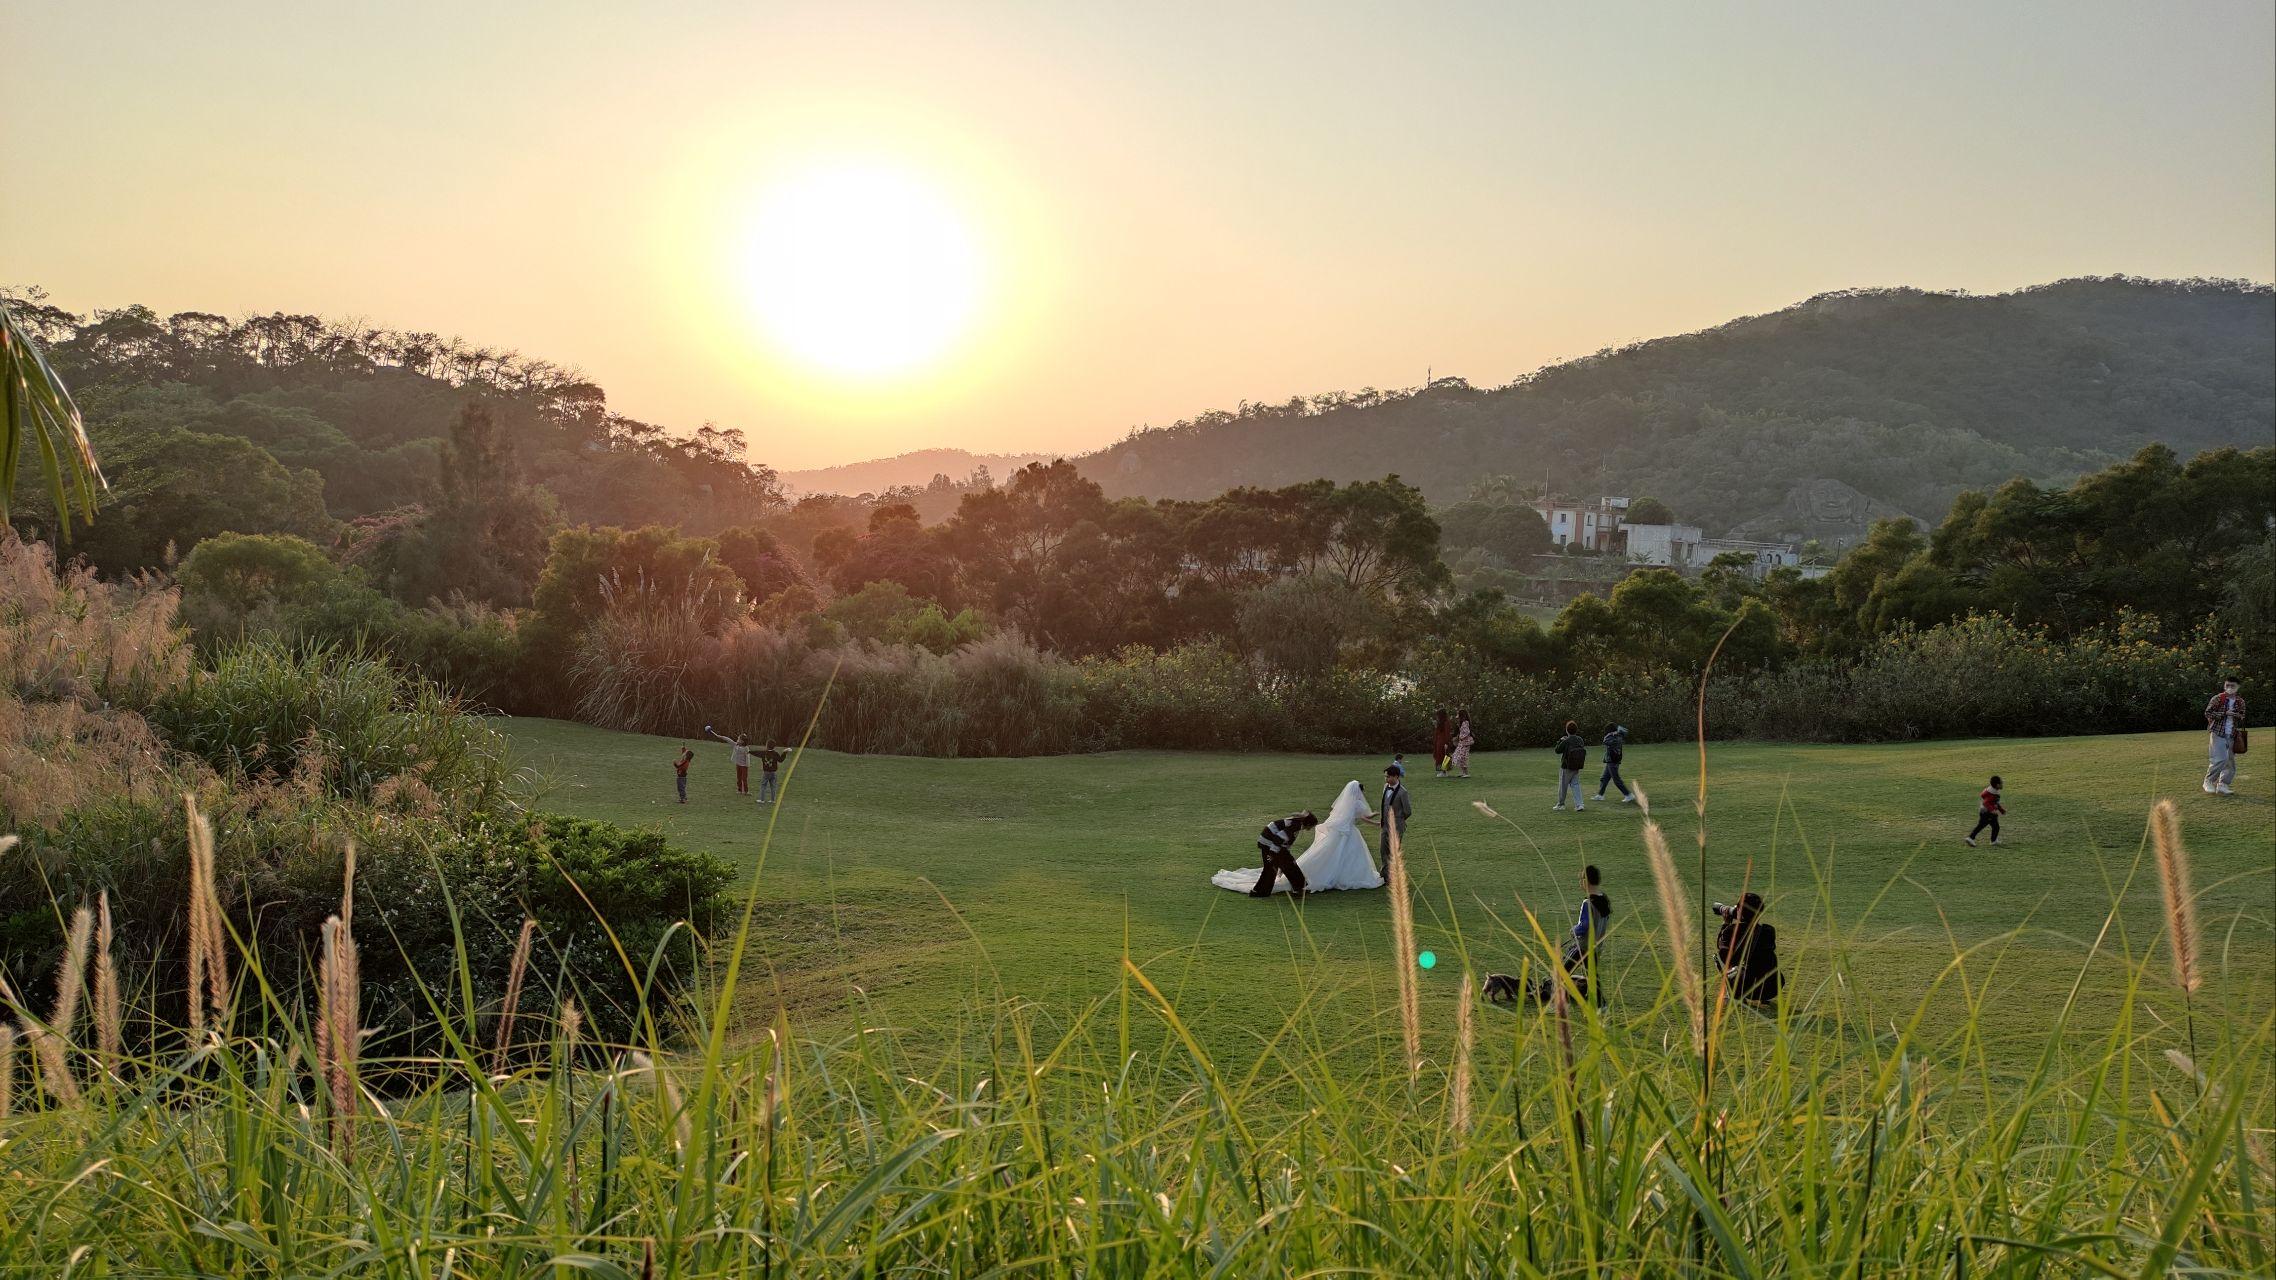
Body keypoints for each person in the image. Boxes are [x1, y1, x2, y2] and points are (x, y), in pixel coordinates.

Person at [1213, 785, 1385, 896]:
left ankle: (1297, 887)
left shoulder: (1296, 823)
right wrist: (1274, 857)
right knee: (1272, 868)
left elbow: (1283, 843)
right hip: (1269, 844)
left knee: (1288, 865)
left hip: (1272, 843)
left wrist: (1281, 857)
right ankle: (1261, 891)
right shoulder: (1293, 827)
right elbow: (1279, 843)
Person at [1539, 864, 1613, 1005]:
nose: (1580, 883)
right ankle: (1601, 1005)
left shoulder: (1587, 903)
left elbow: (1584, 926)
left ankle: (1557, 1004)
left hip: (1583, 947)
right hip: (1596, 947)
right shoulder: (1604, 900)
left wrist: (1574, 930)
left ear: (1586, 881)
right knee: (1592, 976)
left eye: (1581, 880)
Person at [1714, 892, 1780, 1007]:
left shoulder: (1732, 931)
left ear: (1739, 911)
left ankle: (1734, 995)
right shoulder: (1768, 931)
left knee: (1718, 959)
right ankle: (1762, 998)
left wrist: (1725, 924)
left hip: (1747, 985)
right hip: (1772, 987)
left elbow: (1723, 954)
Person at [1361, 765, 1413, 879]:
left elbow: (1408, 811)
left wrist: (1398, 820)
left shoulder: (1403, 792)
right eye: (1385, 777)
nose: (1386, 779)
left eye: (1388, 777)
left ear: (1396, 776)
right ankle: (1384, 874)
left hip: (1397, 826)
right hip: (1384, 825)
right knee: (1383, 849)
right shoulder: (1385, 787)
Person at [2204, 676, 2245, 796]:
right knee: (2220, 759)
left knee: (2230, 761)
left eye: (2232, 686)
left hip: (2232, 734)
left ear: (2238, 687)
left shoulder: (2240, 701)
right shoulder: (2218, 698)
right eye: (2227, 685)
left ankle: (2223, 785)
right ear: (2224, 686)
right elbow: (2207, 712)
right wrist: (2224, 714)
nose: (2229, 688)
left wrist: (2237, 715)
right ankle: (2209, 781)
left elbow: (2242, 716)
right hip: (2218, 732)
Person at [1551, 720, 1588, 811]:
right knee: (1575, 785)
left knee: (1563, 786)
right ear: (1576, 730)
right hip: (1577, 765)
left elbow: (1557, 750)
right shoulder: (1580, 739)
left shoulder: (1566, 740)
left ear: (1567, 730)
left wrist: (1560, 740)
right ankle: (1579, 804)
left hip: (1566, 766)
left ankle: (1561, 804)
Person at [707, 725, 752, 795]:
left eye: (738, 739)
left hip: (744, 766)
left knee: (744, 779)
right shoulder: (735, 745)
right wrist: (720, 736)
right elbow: (728, 739)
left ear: (742, 741)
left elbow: (747, 757)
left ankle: (746, 791)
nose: (737, 740)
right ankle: (739, 790)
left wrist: (747, 765)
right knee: (739, 778)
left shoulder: (746, 748)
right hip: (738, 764)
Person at [1596, 723, 1634, 804]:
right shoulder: (1618, 736)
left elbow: (1605, 741)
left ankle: (1628, 795)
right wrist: (1615, 733)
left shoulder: (1614, 737)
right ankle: (1600, 795)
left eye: (1608, 732)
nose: (1606, 733)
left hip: (1612, 761)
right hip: (1611, 760)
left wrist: (1611, 734)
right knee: (1604, 778)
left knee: (1616, 780)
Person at [1966, 775, 2005, 846]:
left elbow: (1995, 802)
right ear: (1997, 785)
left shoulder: (1993, 791)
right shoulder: (1993, 793)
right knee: (1981, 825)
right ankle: (1970, 838)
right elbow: (1985, 802)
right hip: (1987, 813)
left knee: (1995, 827)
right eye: (2001, 783)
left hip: (1988, 812)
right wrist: (1992, 810)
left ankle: (1993, 841)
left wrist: (2001, 810)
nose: (2003, 784)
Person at [1450, 709, 1476, 780]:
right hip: (1462, 743)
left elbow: (1466, 732)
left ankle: (1466, 773)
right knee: (1459, 756)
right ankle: (1463, 772)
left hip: (1465, 743)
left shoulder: (1465, 723)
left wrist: (1460, 737)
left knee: (1462, 757)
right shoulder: (1463, 723)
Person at [1432, 708, 1453, 778]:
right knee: (1442, 756)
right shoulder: (1441, 723)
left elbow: (1447, 734)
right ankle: (1444, 771)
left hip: (1442, 742)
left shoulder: (1446, 723)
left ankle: (1443, 771)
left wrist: (1447, 743)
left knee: (1443, 756)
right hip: (1439, 741)